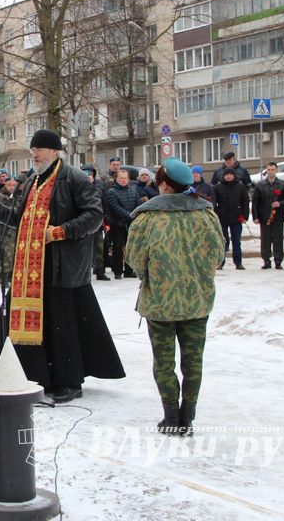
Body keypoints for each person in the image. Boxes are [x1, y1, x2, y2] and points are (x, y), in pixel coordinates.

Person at [0, 129, 125, 403]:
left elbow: (94, 216)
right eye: (33, 150)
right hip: (31, 266)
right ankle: (38, 375)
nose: (34, 154)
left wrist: (59, 232)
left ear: (54, 151)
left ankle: (69, 381)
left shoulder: (74, 178)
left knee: (62, 325)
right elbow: (19, 218)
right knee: (40, 324)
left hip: (62, 264)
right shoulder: (32, 180)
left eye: (39, 149)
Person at [125, 157, 224, 436]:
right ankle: (188, 416)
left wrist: (153, 275)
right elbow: (218, 256)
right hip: (198, 301)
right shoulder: (207, 214)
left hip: (160, 302)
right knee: (193, 361)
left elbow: (134, 259)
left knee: (164, 361)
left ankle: (170, 416)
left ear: (165, 185)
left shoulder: (147, 218)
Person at [252, 162, 284, 269]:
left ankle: (278, 261)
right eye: (269, 170)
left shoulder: (283, 184)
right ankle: (266, 261)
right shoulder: (260, 185)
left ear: (276, 170)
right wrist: (255, 217)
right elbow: (255, 202)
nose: (270, 172)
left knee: (278, 239)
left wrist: (280, 203)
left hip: (278, 217)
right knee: (265, 240)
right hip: (264, 217)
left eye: (272, 170)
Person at [105, 169, 140, 279]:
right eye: (121, 178)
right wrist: (130, 215)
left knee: (130, 248)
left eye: (125, 178)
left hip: (131, 224)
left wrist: (134, 215)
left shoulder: (133, 191)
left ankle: (129, 270)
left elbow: (138, 204)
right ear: (116, 179)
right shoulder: (111, 192)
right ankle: (118, 271)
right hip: (117, 224)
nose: (123, 180)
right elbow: (115, 208)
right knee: (117, 248)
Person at [212, 168, 249, 270]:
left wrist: (245, 216)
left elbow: (245, 202)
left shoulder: (240, 187)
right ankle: (220, 262)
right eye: (226, 174)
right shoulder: (218, 187)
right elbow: (214, 202)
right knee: (222, 241)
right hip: (222, 218)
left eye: (230, 174)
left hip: (236, 218)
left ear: (234, 175)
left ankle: (238, 263)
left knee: (236, 241)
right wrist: (216, 214)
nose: (228, 176)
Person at [82, 165, 110, 281]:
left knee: (99, 248)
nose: (89, 177)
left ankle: (100, 271)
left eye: (90, 175)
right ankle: (84, 273)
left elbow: (105, 205)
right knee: (84, 249)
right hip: (83, 223)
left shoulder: (99, 187)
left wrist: (107, 222)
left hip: (98, 222)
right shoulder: (78, 187)